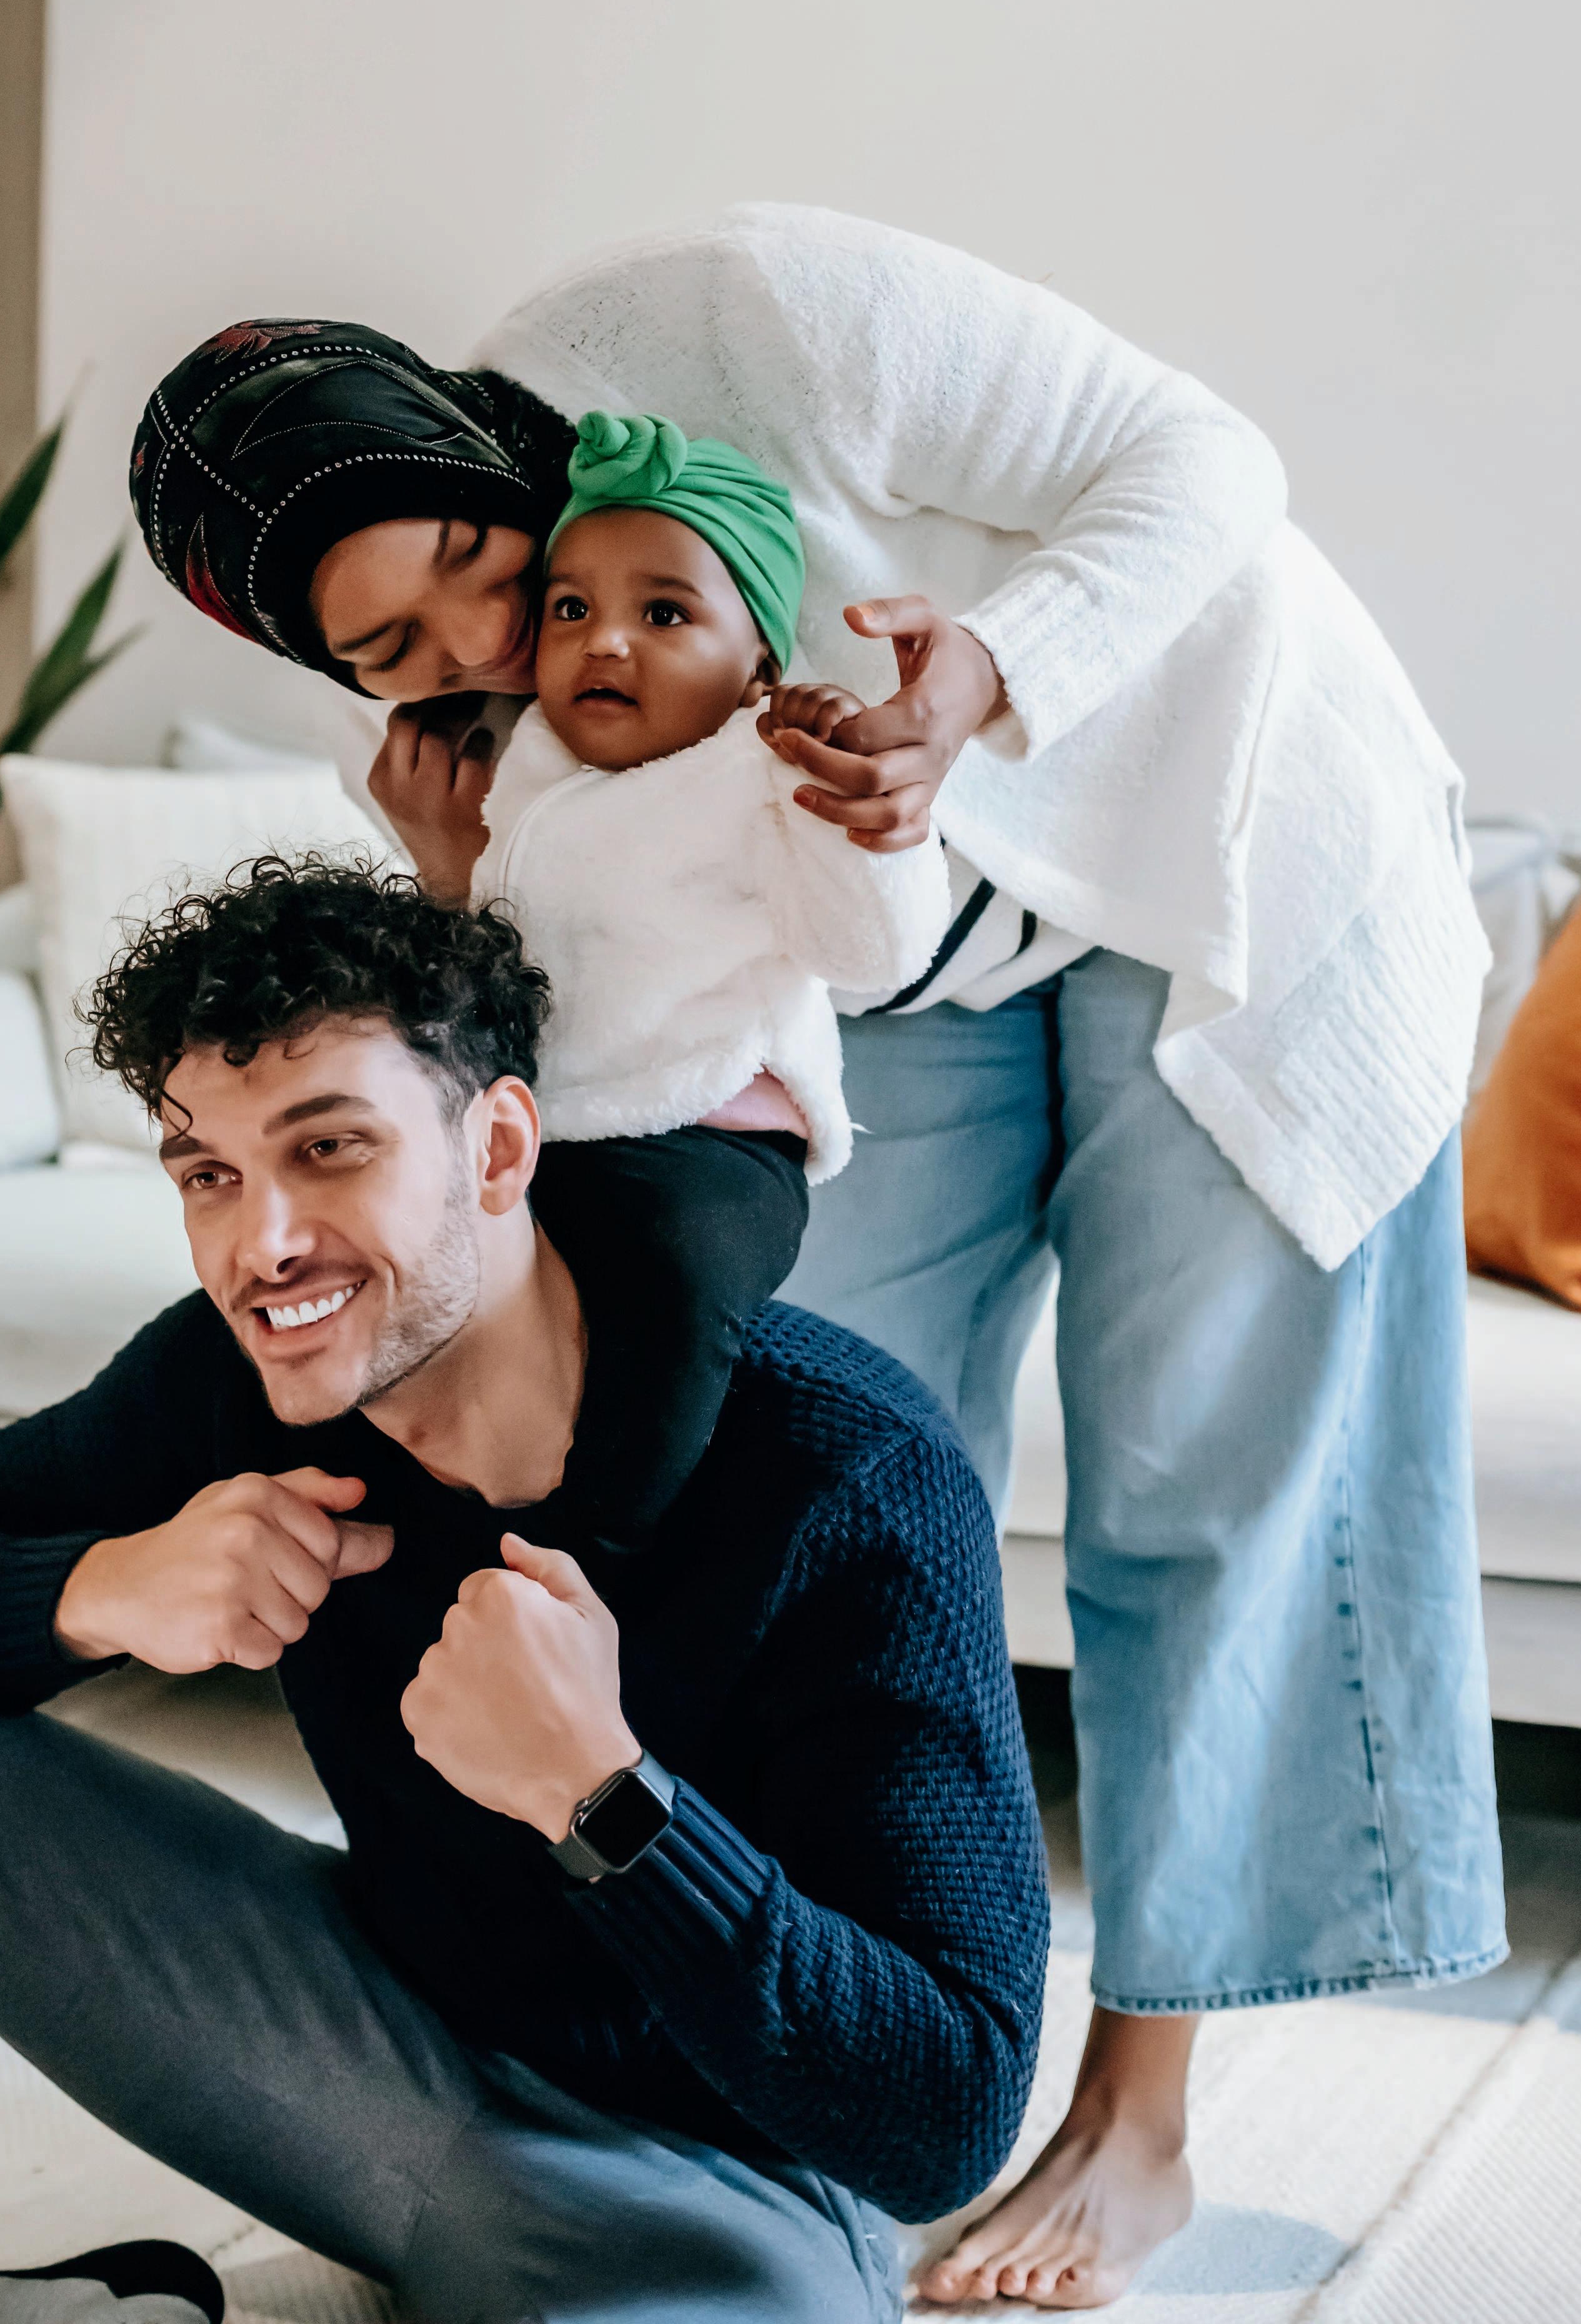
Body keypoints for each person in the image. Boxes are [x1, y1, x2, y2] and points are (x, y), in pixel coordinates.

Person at [129, 202, 1507, 2308]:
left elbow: (1205, 462)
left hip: (1222, 845)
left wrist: (990, 673)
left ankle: (1136, 2123)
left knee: (1202, 1490)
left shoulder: (748, 316)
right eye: (392, 650)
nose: (480, 640)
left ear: (469, 444)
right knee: (829, 1456)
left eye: (476, 560)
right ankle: (823, 2063)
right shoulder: (459, 722)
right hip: (871, 939)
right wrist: (459, 863)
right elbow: (581, 995)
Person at [0, 862, 1050, 2324]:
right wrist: (99, 1589)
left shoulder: (849, 1474)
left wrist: (608, 1801)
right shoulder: (236, 1381)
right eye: (208, 1174)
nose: (262, 1244)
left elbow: (949, 2116)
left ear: (498, 1147)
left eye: (330, 1147)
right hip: (371, 2051)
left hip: (721, 2182)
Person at [460, 404, 950, 1178]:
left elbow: (876, 952)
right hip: (555, 1129)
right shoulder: (533, 764)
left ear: (759, 667)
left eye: (664, 613)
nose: (602, 641)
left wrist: (832, 772)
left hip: (715, 1126)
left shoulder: (770, 763)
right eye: (571, 608)